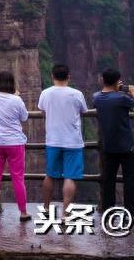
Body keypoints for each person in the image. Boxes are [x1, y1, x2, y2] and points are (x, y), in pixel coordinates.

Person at [37, 63, 87, 214]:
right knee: (70, 177)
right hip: (73, 141)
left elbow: (42, 110)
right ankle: (65, 214)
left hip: (53, 140)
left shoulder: (45, 93)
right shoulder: (77, 94)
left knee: (50, 175)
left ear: (52, 76)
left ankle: (46, 207)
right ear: (68, 77)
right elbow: (83, 111)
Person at [0, 70, 30, 221]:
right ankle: (23, 212)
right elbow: (24, 117)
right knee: (18, 178)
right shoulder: (16, 100)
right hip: (15, 143)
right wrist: (16, 97)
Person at [93, 68, 134, 213]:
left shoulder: (96, 97)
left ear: (102, 80)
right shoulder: (122, 98)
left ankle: (108, 210)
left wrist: (115, 87)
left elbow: (105, 96)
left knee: (109, 180)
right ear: (117, 81)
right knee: (129, 180)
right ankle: (130, 212)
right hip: (127, 145)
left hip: (109, 146)